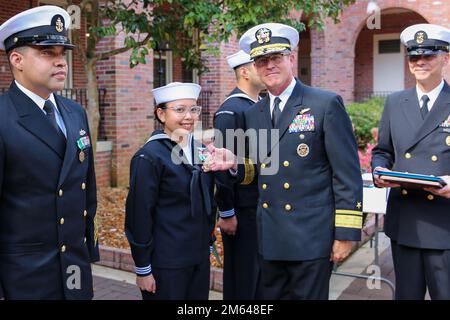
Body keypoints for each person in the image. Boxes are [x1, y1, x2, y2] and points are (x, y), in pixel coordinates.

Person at [205, 23, 363, 299]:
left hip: (311, 238)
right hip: (270, 237)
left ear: (291, 58)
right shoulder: (255, 113)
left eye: (275, 58)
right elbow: (262, 168)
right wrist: (234, 164)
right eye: (261, 61)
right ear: (254, 67)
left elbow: (346, 175)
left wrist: (346, 233)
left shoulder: (324, 104)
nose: (269, 66)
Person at [0, 6, 99, 299]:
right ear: (16, 59)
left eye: (62, 53)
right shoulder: (4, 118)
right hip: (24, 277)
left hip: (75, 269)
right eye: (47, 53)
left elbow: (87, 191)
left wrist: (88, 250)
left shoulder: (75, 113)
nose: (61, 63)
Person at [372, 24, 450, 300]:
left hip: (444, 222)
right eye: (414, 57)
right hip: (405, 220)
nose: (420, 62)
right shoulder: (395, 102)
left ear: (446, 58)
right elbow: (383, 150)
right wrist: (378, 170)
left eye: (428, 55)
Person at [125, 82, 216, 300]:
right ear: (161, 114)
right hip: (167, 261)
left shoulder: (201, 150)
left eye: (193, 109)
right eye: (180, 109)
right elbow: (139, 214)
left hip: (198, 256)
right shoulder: (149, 157)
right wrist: (143, 268)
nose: (189, 116)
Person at [213, 50, 265, 299]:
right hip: (242, 209)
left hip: (260, 206)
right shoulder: (231, 110)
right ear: (244, 71)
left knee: (260, 277)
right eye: (259, 64)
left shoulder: (260, 105)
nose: (266, 69)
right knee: (243, 278)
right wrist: (227, 212)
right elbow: (222, 168)